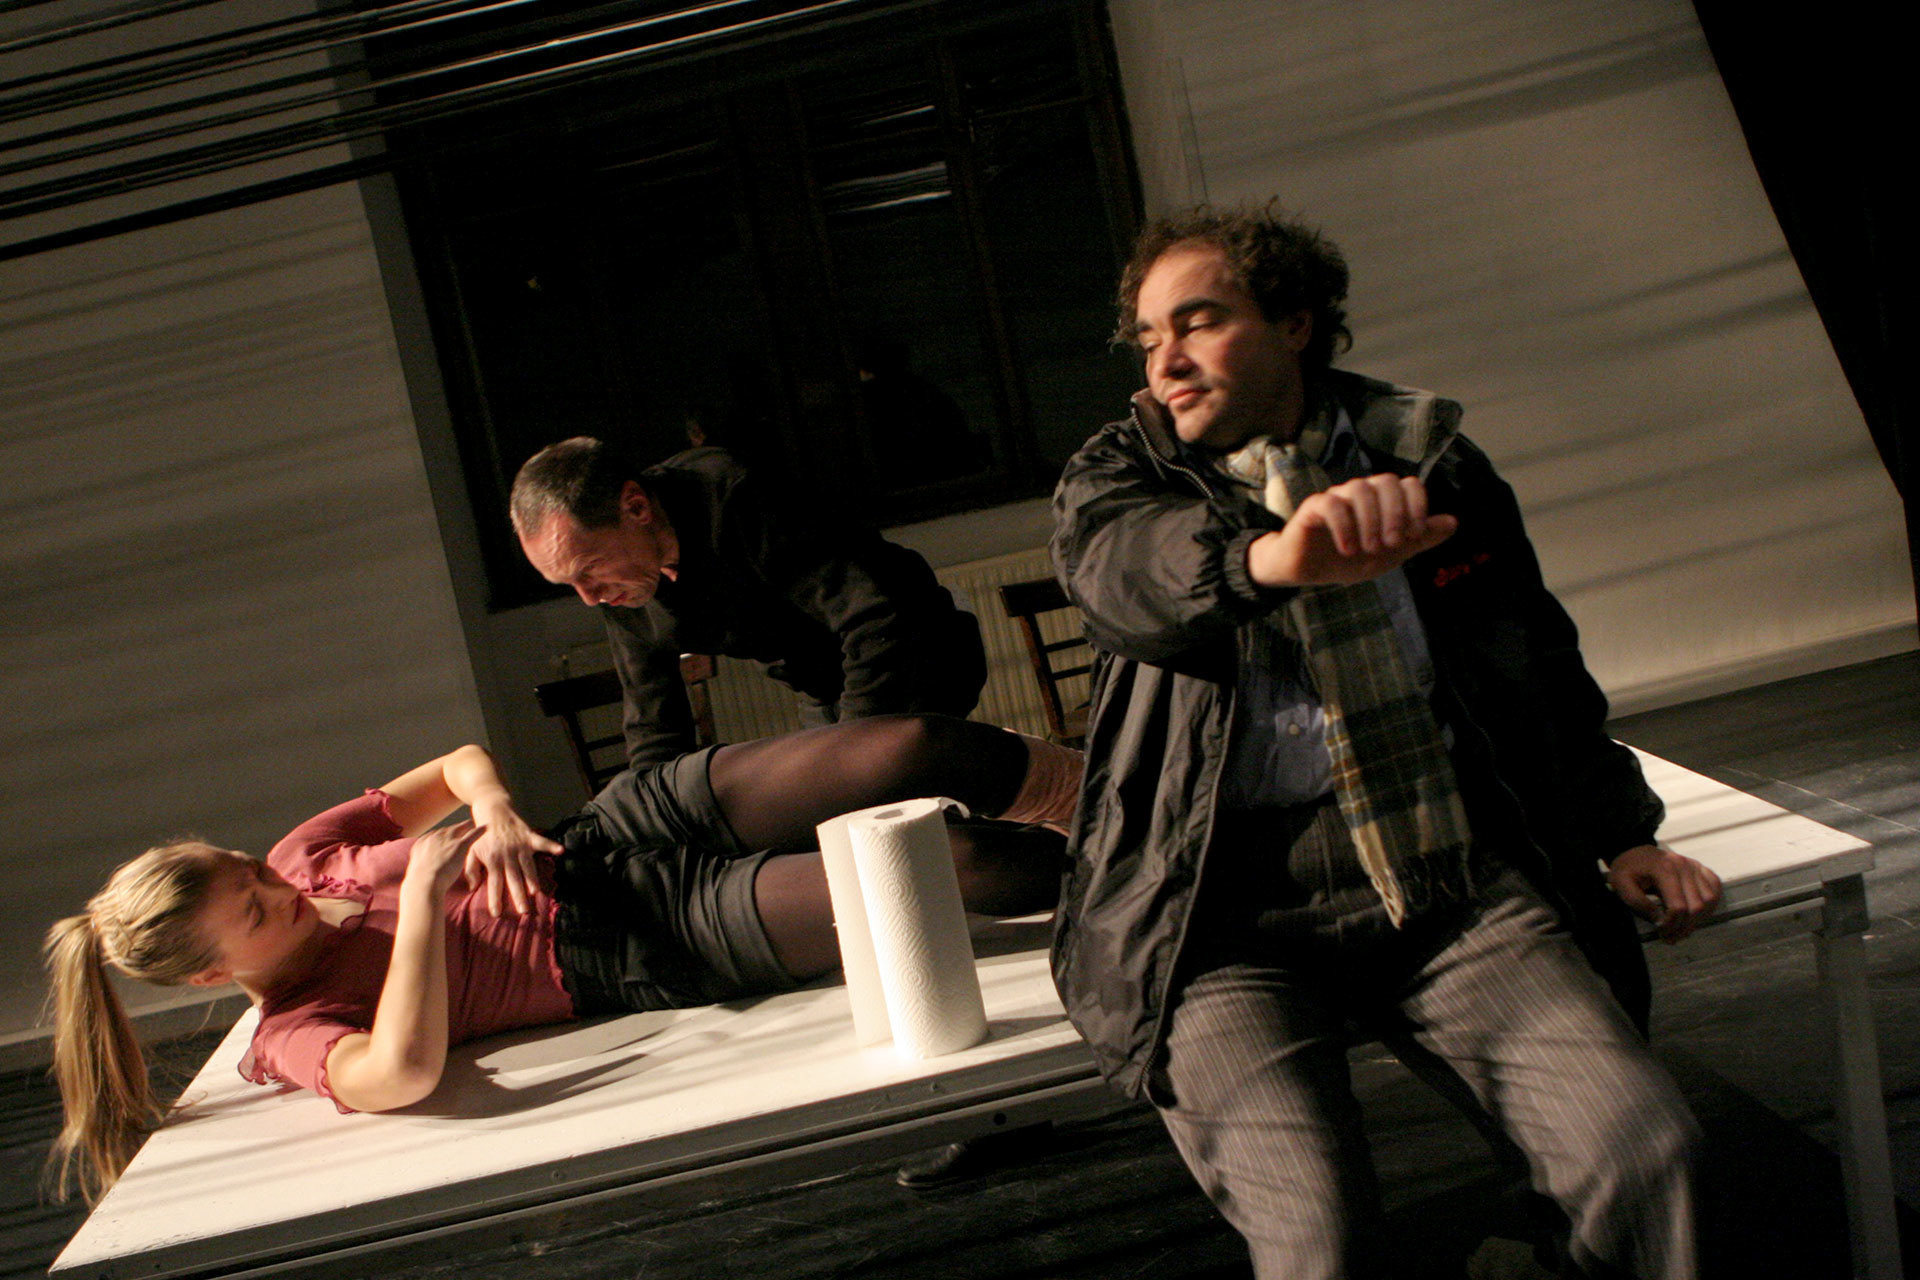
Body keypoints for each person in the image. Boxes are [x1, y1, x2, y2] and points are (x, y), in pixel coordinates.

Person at [1048, 203, 1723, 1279]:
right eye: (1148, 336)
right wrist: (1271, 560)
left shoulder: (1432, 460)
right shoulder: (1122, 473)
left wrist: (1623, 832)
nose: (1164, 361)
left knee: (1643, 1152)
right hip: (1217, 919)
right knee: (1320, 1239)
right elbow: (1128, 577)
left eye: (1199, 321)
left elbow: (1536, 664)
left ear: (1296, 323)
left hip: (1434, 875)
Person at [43, 715, 1081, 1204]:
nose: (281, 889)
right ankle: (1151, 868)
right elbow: (397, 1074)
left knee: (910, 748)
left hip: (609, 833)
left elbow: (458, 761)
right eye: (257, 910)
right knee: (959, 866)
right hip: (641, 937)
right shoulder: (287, 1032)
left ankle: (1129, 794)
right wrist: (421, 903)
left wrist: (492, 808)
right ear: (211, 977)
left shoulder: (299, 857)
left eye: (247, 868)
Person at [512, 437, 988, 766]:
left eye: (589, 569)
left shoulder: (735, 497)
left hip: (918, 647)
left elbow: (876, 617)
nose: (589, 598)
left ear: (635, 507)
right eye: (568, 583)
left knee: (903, 812)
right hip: (824, 681)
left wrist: (851, 756)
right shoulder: (623, 584)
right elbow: (653, 724)